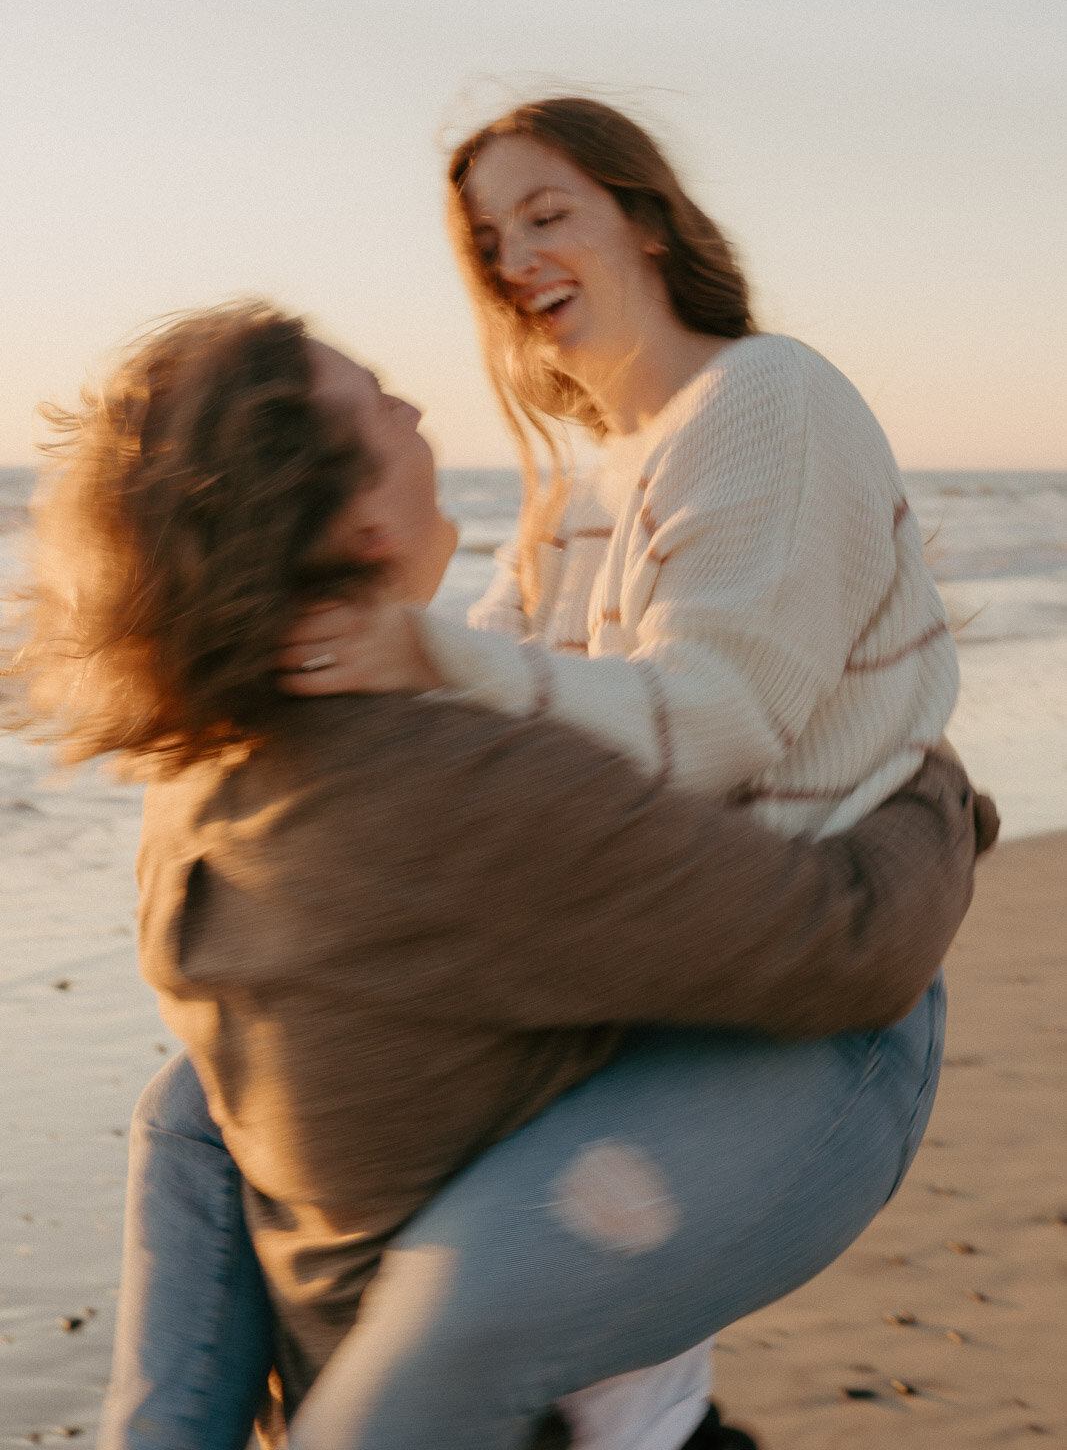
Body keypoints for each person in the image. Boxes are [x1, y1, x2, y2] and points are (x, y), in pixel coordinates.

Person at [12, 302, 996, 1450]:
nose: (419, 408)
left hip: (324, 1372)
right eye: (379, 400)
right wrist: (925, 781)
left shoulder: (209, 780)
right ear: (357, 523)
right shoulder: (455, 789)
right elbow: (843, 943)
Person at [264, 97, 963, 1445]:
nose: (513, 255)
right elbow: (477, 740)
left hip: (800, 998)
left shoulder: (764, 399)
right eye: (486, 237)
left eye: (546, 212)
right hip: (633, 978)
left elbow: (708, 727)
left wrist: (411, 650)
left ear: (642, 217)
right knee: (199, 1111)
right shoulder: (581, 484)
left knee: (438, 1343)